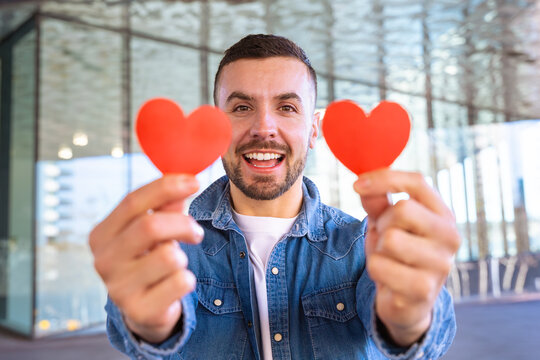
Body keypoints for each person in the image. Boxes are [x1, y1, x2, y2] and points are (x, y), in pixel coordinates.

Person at [89, 34, 460, 360]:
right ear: (217, 128)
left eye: (287, 107)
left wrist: (411, 320)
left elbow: (423, 338)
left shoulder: (366, 244)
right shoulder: (172, 247)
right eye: (241, 107)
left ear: (314, 130)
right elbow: (138, 334)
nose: (264, 127)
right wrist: (150, 327)